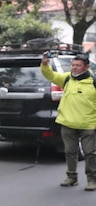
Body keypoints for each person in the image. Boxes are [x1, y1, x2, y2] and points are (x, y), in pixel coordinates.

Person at [40, 52, 96, 190]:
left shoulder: (93, 82)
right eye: (73, 65)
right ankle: (72, 177)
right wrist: (45, 65)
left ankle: (92, 180)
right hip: (67, 123)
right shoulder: (67, 79)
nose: (74, 68)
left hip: (88, 124)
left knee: (89, 153)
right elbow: (51, 76)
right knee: (70, 152)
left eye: (78, 65)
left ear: (86, 67)